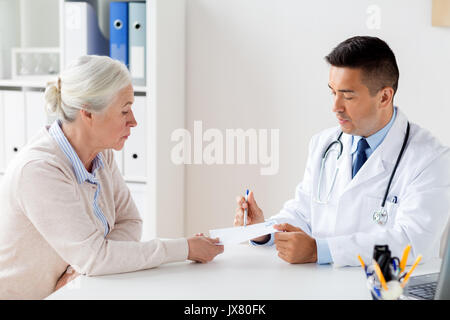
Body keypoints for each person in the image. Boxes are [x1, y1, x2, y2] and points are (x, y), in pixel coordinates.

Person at [0, 55, 223, 300]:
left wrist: (85, 267)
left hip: (73, 293)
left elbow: (129, 222)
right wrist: (185, 248)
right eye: (124, 110)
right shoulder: (39, 170)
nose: (134, 121)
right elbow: (97, 258)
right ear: (88, 114)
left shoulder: (101, 155)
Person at [234, 36, 450, 267]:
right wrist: (263, 230)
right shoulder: (325, 144)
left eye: (347, 96)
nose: (335, 107)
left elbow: (412, 241)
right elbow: (303, 212)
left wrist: (321, 250)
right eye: (333, 92)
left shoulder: (431, 159)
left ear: (384, 96)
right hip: (321, 286)